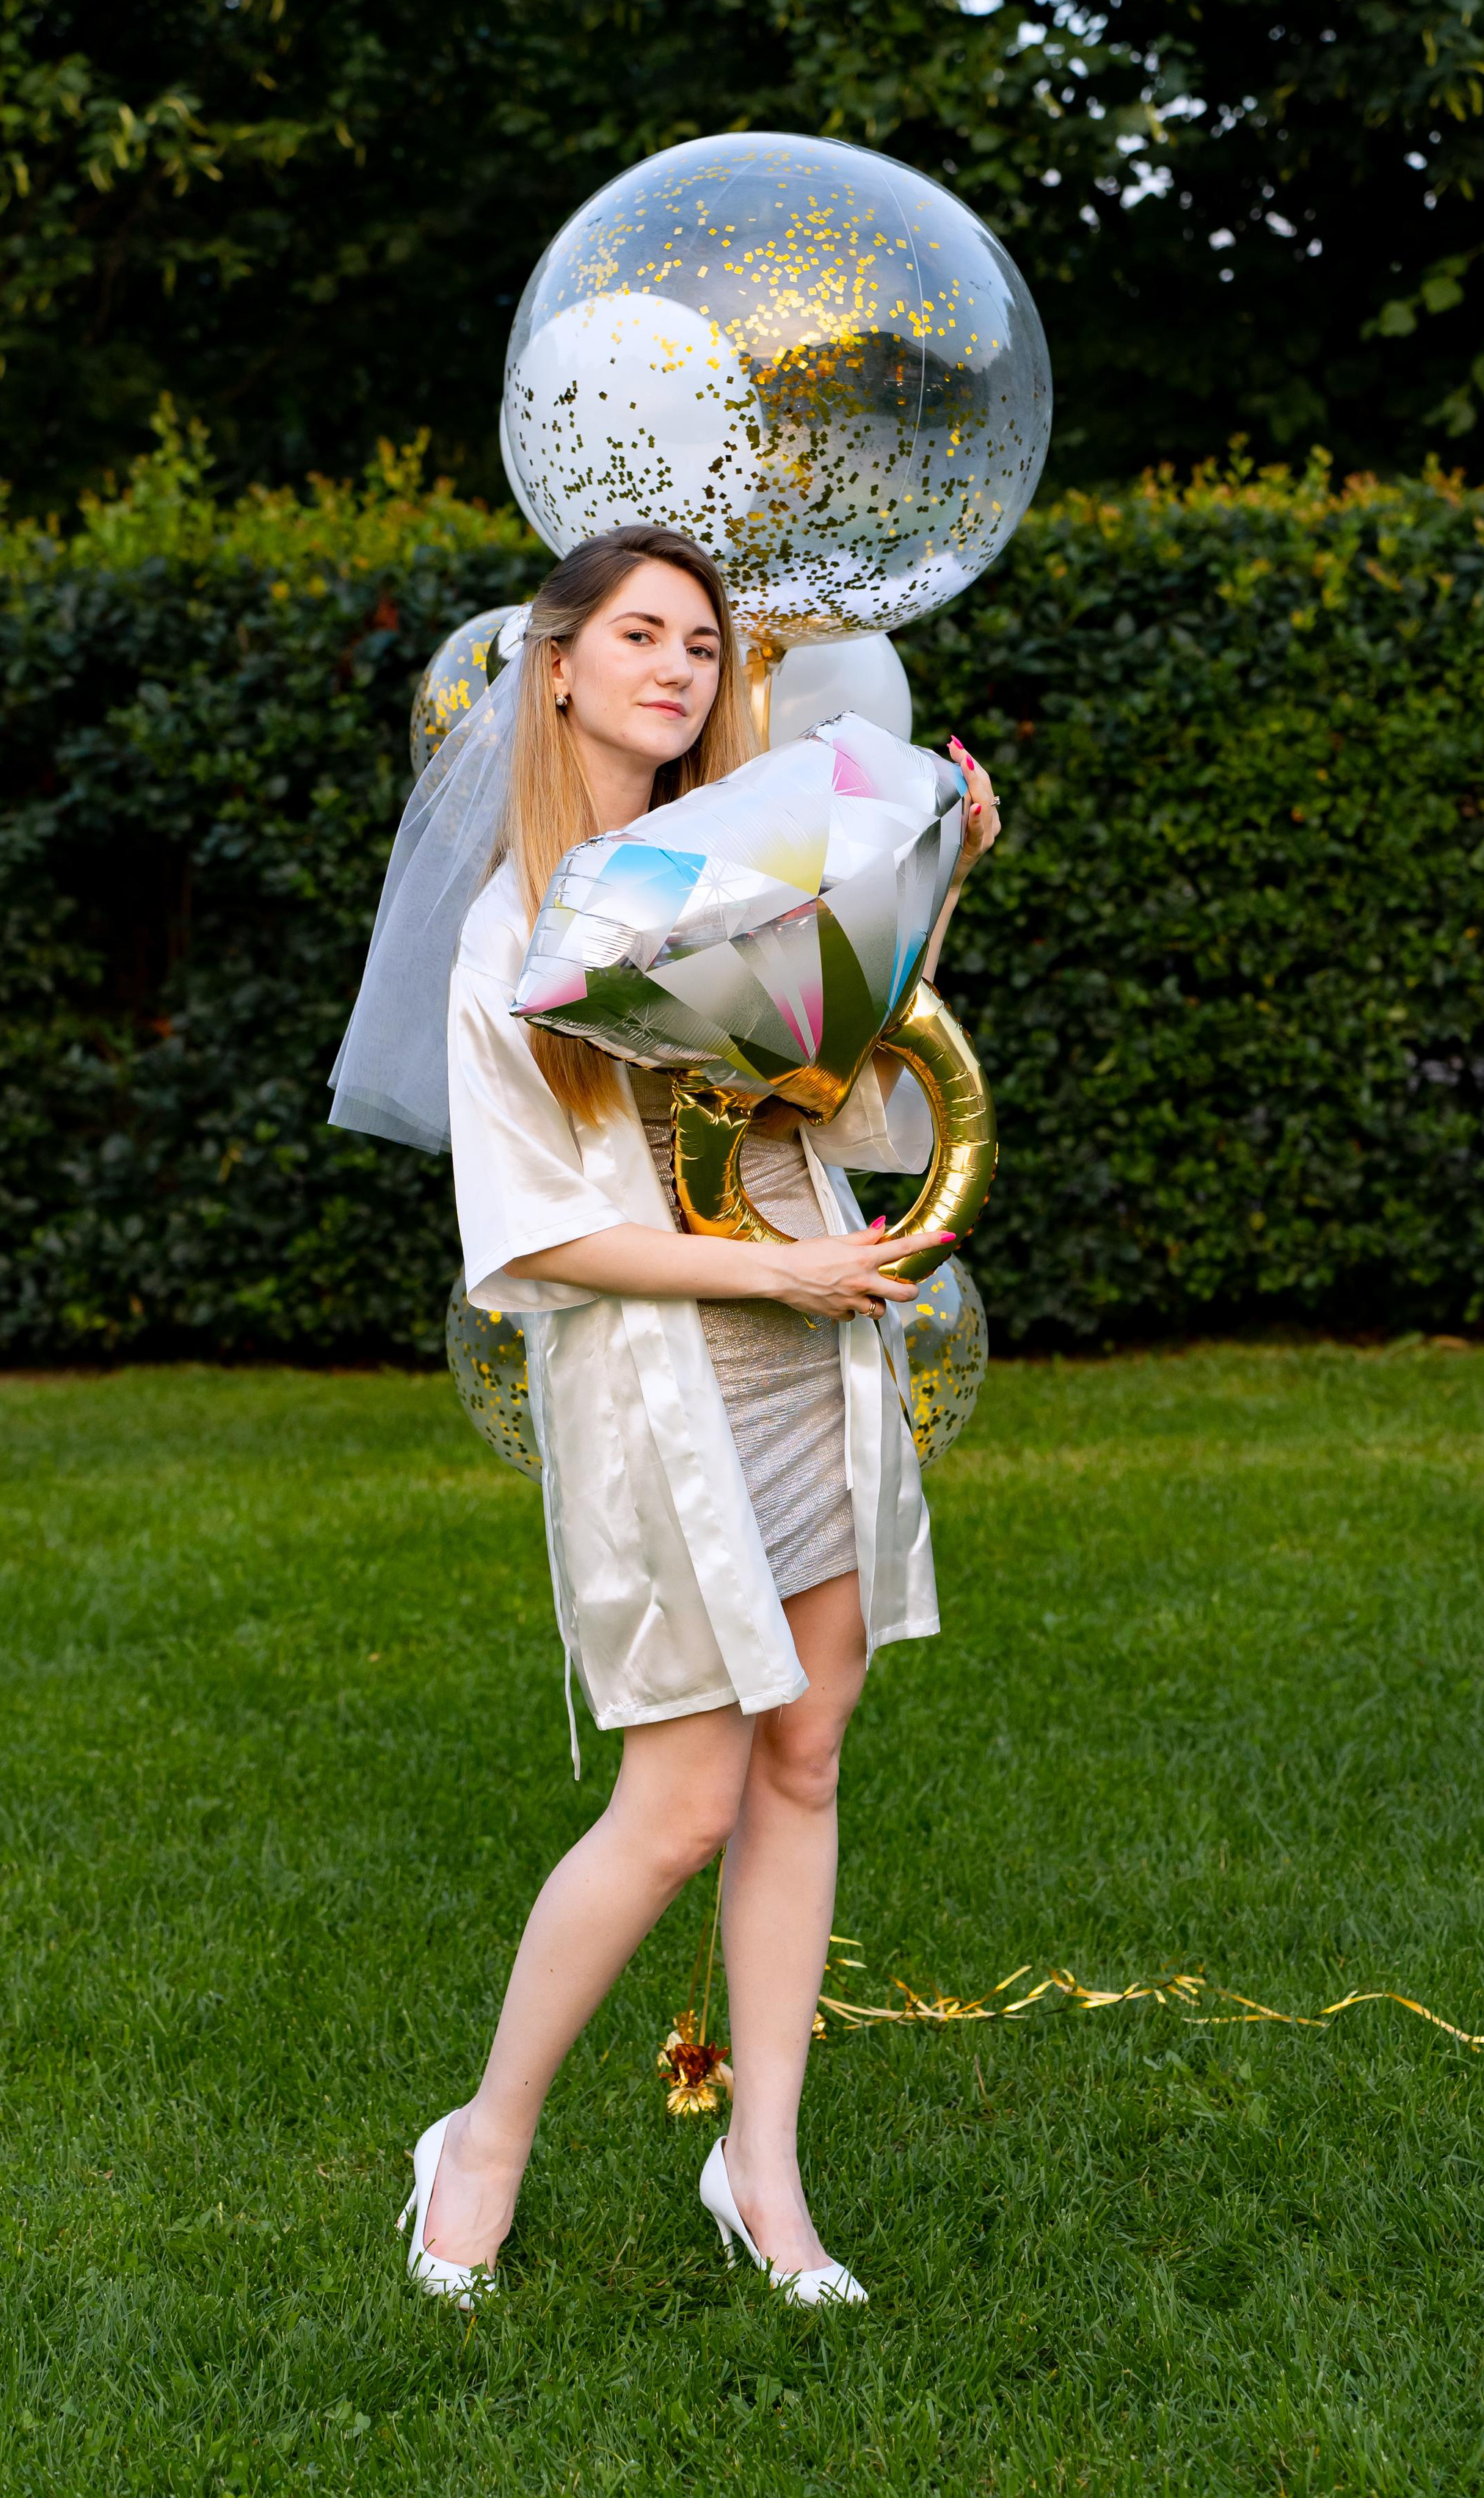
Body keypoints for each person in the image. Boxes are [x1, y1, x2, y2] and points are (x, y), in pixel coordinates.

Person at [330, 523, 999, 2307]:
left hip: (811, 1344)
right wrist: (773, 1283)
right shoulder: (513, 926)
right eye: (638, 636)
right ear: (553, 663)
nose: (674, 670)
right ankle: (478, 2140)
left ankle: (759, 2170)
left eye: (701, 646)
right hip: (667, 1381)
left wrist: (920, 886)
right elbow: (537, 1230)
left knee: (808, 1751)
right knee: (680, 1798)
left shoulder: (745, 866)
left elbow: (832, 1086)